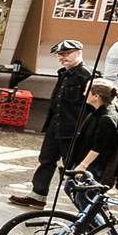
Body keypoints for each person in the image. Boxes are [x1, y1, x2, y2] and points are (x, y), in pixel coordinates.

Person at [30, 39, 98, 199]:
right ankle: (37, 195)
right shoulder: (63, 73)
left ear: (79, 53)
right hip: (56, 125)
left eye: (66, 54)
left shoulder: (87, 76)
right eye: (60, 55)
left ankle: (85, 200)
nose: (62, 57)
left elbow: (92, 105)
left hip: (73, 128)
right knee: (46, 159)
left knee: (73, 165)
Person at [67, 78, 118, 189]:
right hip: (90, 163)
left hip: (95, 166)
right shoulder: (102, 111)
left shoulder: (107, 119)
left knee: (84, 197)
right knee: (72, 189)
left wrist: (83, 165)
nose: (84, 94)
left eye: (87, 91)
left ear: (96, 96)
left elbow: (98, 147)